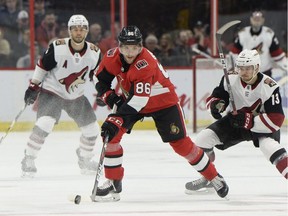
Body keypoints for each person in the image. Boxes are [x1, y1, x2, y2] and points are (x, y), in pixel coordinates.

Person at [93, 25, 229, 202]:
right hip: (133, 100)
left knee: (182, 145)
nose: (130, 52)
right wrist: (111, 98)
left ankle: (214, 177)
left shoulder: (145, 63)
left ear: (141, 46)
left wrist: (115, 118)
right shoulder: (111, 57)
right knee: (111, 137)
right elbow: (100, 79)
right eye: (126, 47)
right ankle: (113, 181)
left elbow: (139, 101)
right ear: (119, 46)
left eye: (134, 47)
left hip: (163, 103)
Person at [185, 49, 287, 194]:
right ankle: (210, 177)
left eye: (248, 68)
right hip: (235, 122)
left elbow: (276, 119)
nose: (243, 72)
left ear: (257, 67)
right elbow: (216, 97)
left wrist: (249, 121)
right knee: (202, 140)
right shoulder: (230, 78)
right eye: (240, 68)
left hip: (260, 126)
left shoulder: (269, 86)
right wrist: (215, 105)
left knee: (270, 147)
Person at [21, 14, 101, 177]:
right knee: (45, 124)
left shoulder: (94, 52)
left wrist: (102, 91)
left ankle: (85, 158)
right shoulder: (57, 47)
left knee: (92, 130)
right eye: (75, 29)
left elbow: (96, 75)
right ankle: (28, 158)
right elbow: (42, 65)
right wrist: (33, 86)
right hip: (52, 93)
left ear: (86, 31)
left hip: (76, 97)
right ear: (69, 31)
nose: (78, 33)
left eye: (82, 29)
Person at [230, 11, 287, 77]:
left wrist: (286, 67)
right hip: (246, 74)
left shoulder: (269, 34)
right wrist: (235, 69)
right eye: (255, 19)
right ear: (251, 19)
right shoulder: (242, 34)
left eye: (259, 19)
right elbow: (234, 54)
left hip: (265, 74)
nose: (257, 21)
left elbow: (277, 55)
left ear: (263, 20)